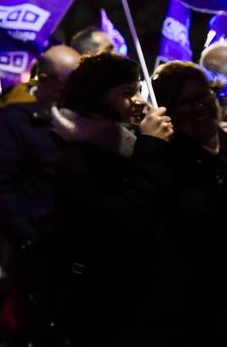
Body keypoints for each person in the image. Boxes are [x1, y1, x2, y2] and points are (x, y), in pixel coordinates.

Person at [51, 52, 176, 346]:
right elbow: (119, 218)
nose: (139, 101)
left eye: (138, 90)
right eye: (126, 93)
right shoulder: (78, 155)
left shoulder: (126, 140)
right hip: (107, 300)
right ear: (97, 98)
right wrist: (150, 148)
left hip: (148, 294)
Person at [0, 44, 80, 346]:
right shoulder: (13, 124)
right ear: (46, 79)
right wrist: (29, 239)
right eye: (72, 81)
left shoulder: (86, 123)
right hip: (39, 253)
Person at [152, 61, 227, 344]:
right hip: (201, 304)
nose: (199, 107)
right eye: (185, 103)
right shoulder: (169, 160)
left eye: (203, 96)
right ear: (168, 112)